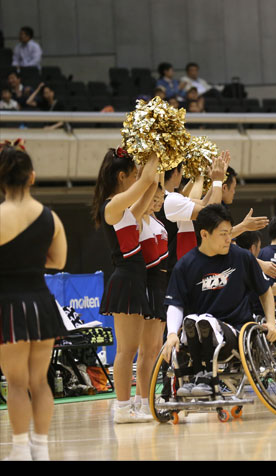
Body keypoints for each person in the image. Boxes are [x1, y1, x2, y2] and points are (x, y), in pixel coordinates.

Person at [162, 204, 276, 396]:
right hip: (196, 335)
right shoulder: (185, 265)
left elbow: (265, 292)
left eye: (230, 233)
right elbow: (175, 303)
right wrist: (172, 333)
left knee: (205, 322)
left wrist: (271, 322)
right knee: (193, 322)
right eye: (222, 234)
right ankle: (197, 375)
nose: (228, 239)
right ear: (204, 235)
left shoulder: (243, 258)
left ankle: (206, 375)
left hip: (236, 333)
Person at [0, 142, 68, 460]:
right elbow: (58, 261)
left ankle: (19, 450)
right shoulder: (51, 218)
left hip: (8, 304)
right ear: (32, 177)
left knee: (15, 383)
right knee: (39, 381)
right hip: (41, 303)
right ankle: (40, 449)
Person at [91, 147, 161, 423]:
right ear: (122, 176)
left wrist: (153, 161)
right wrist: (155, 146)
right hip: (126, 279)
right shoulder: (112, 206)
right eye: (132, 175)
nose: (136, 179)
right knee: (126, 350)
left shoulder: (125, 208)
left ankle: (132, 405)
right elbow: (145, 183)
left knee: (133, 349)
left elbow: (150, 183)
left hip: (136, 279)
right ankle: (121, 409)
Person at [132, 183, 169, 416]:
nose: (158, 201)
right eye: (153, 197)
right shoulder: (136, 219)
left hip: (161, 286)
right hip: (147, 282)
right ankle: (144, 401)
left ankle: (141, 398)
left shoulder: (157, 221)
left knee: (156, 347)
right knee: (146, 350)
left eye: (161, 197)